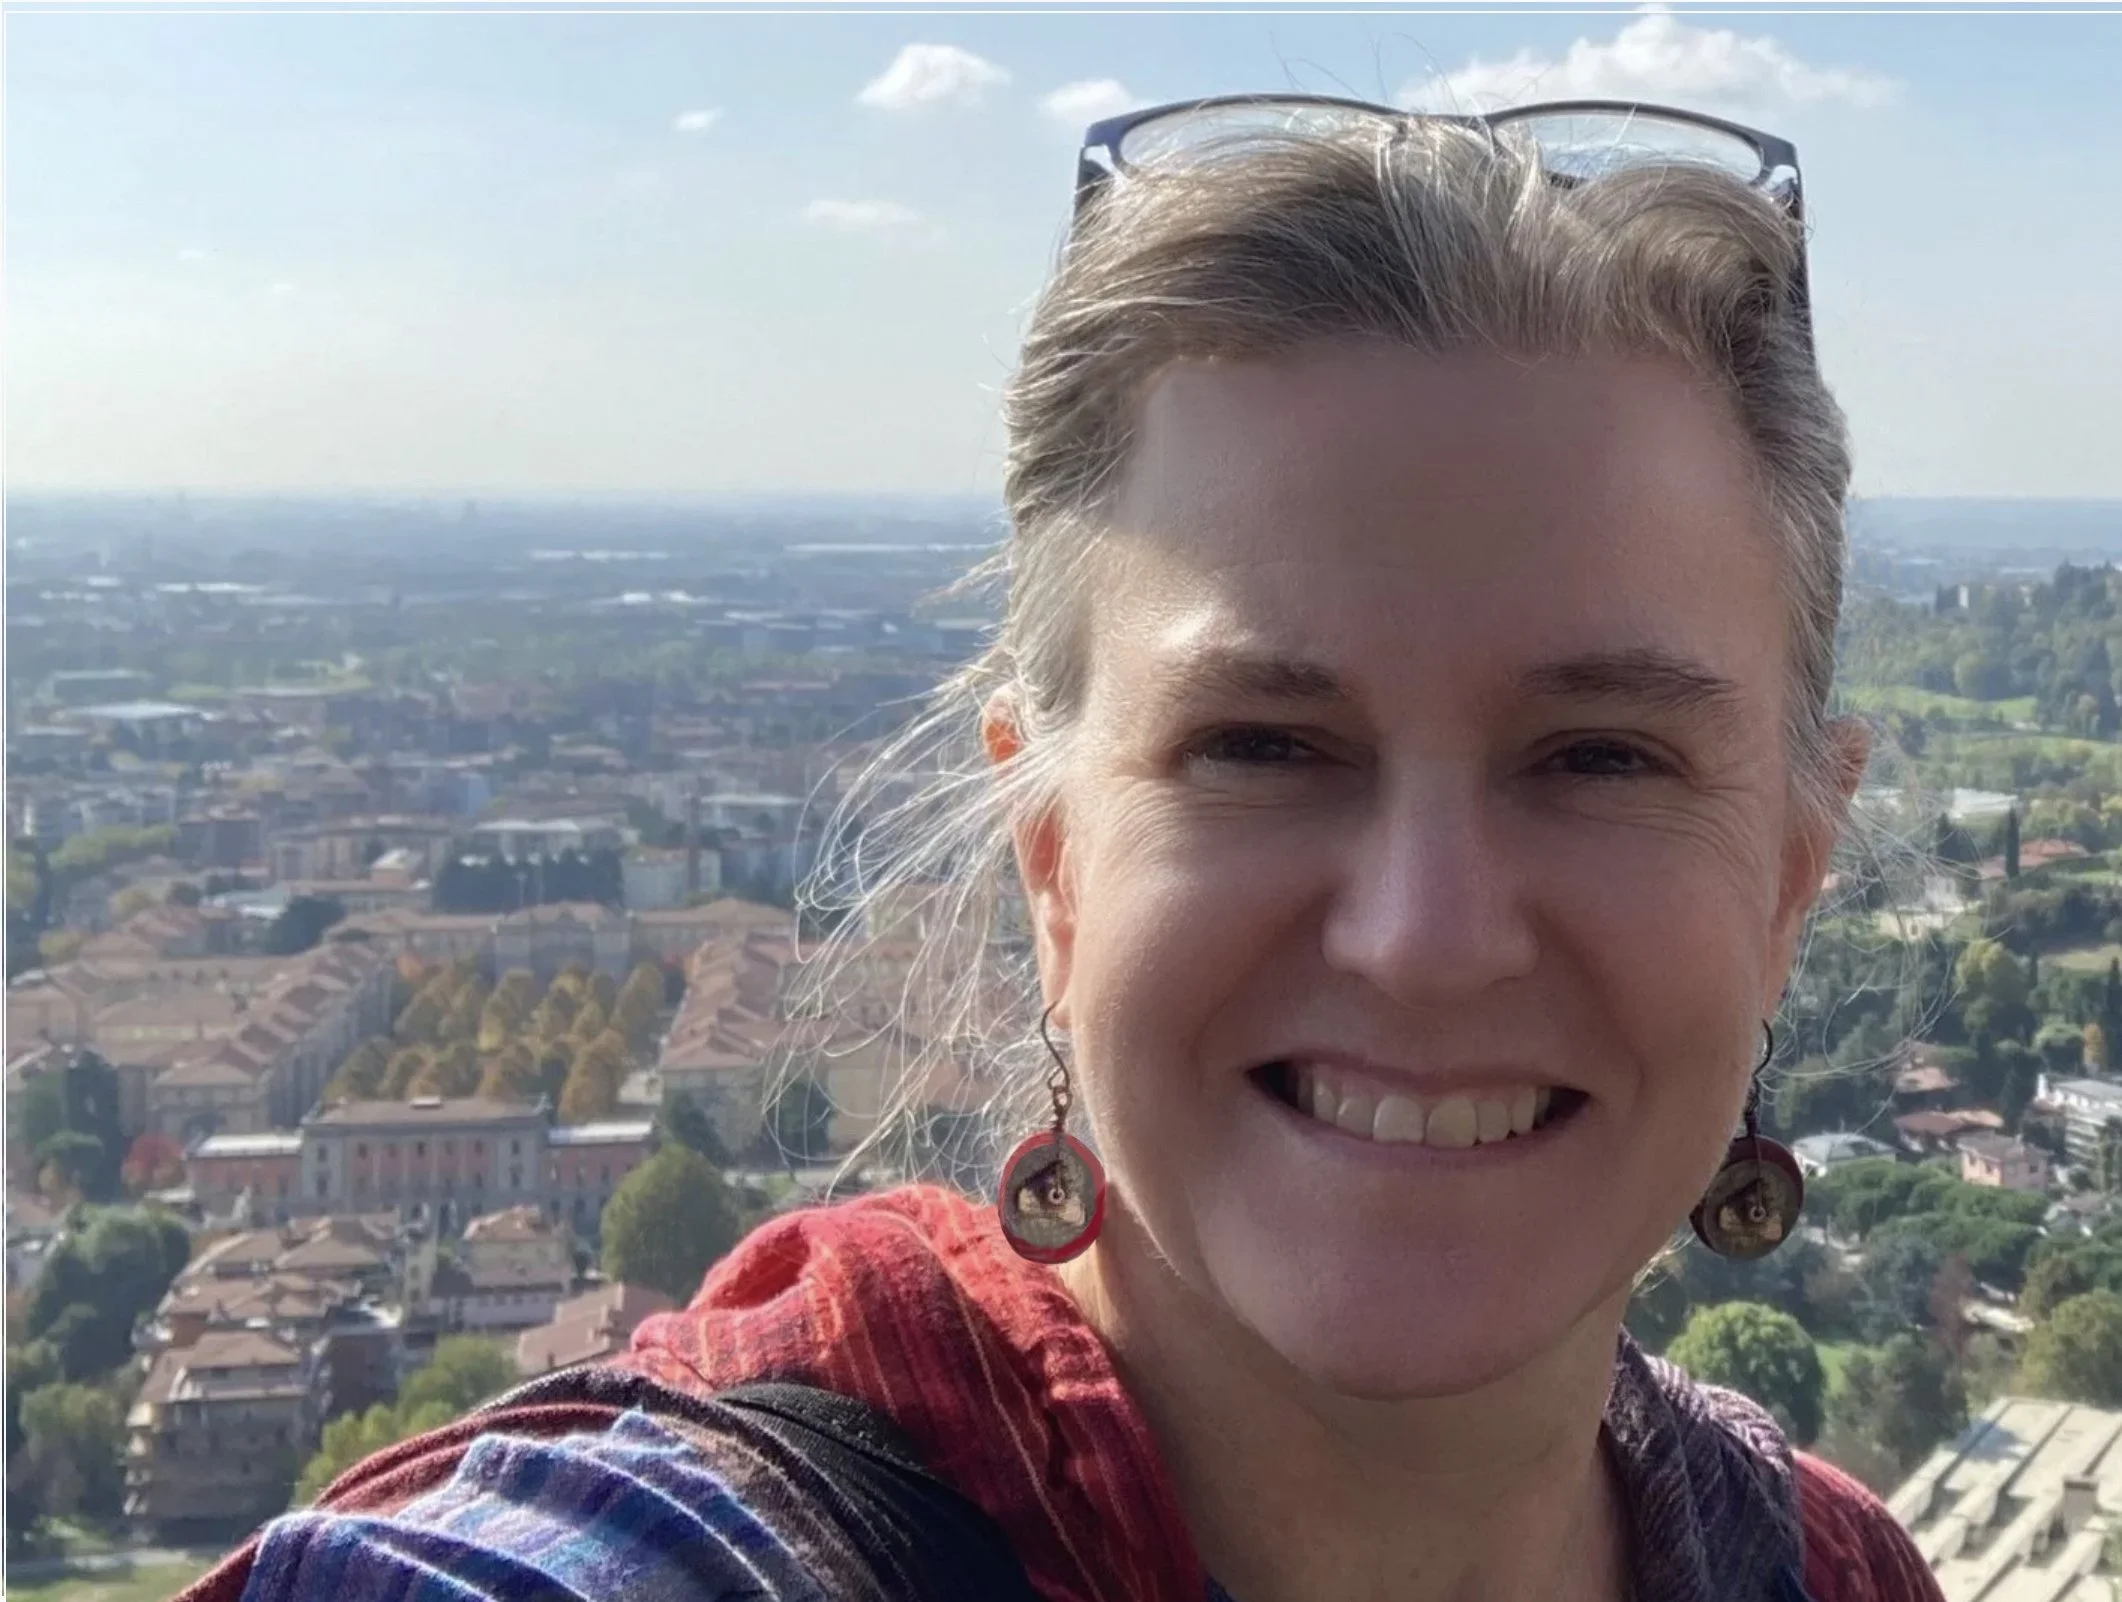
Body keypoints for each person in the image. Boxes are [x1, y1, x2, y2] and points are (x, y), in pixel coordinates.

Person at [183, 96, 1945, 1602]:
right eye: (1262, 744)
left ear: (1791, 871)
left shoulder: (1835, 1567)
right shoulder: (681, 1549)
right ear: (1052, 853)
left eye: (1600, 754)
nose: (1425, 936)